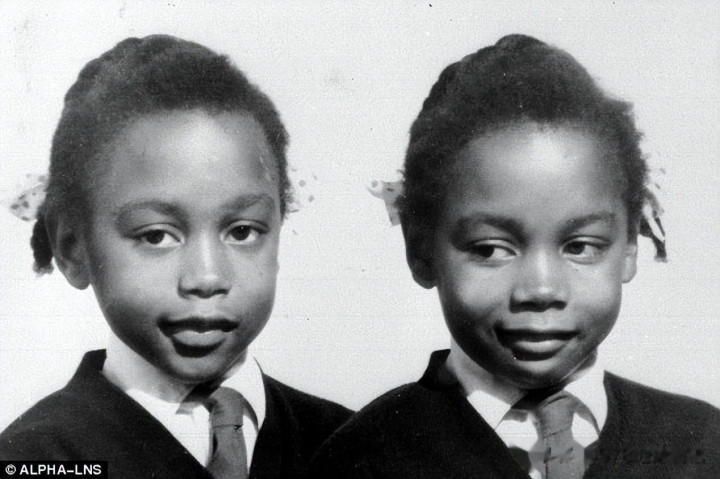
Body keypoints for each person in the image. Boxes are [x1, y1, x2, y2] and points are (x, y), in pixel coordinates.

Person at [308, 34, 720, 478]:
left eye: (580, 247)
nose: (541, 289)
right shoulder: (363, 461)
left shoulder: (702, 443)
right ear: (420, 250)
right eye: (490, 249)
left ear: (629, 247)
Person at [0, 34, 351, 478]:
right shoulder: (31, 459)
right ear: (72, 249)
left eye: (242, 231)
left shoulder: (352, 445)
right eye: (156, 236)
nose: (207, 277)